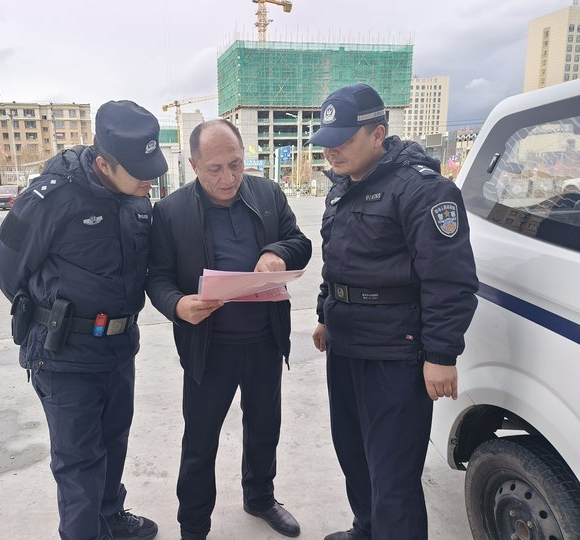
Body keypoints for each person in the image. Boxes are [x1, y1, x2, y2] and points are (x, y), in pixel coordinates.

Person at [0, 100, 168, 540]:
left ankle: (110, 516)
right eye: (139, 172)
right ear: (104, 164)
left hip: (119, 349)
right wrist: (54, 313)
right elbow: (6, 267)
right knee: (79, 463)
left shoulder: (138, 199)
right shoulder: (51, 198)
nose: (149, 179)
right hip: (64, 355)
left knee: (114, 443)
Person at [309, 83, 478, 540]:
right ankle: (366, 529)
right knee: (353, 454)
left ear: (378, 134)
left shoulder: (422, 191)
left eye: (343, 140)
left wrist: (441, 354)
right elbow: (336, 260)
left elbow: (450, 279)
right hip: (346, 344)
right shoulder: (341, 189)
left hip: (395, 354)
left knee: (393, 474)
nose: (331, 150)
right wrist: (325, 312)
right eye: (326, 142)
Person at [146, 119, 311, 540]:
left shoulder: (268, 194)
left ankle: (260, 497)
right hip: (208, 348)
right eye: (215, 169)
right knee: (200, 442)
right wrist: (177, 305)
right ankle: (194, 525)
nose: (228, 178)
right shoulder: (171, 211)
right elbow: (158, 277)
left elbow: (299, 242)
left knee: (264, 428)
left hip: (263, 341)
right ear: (193, 165)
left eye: (235, 164)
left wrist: (277, 252)